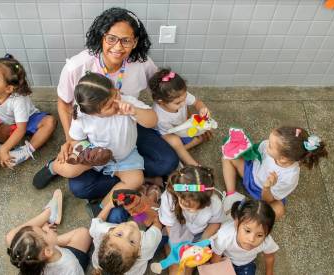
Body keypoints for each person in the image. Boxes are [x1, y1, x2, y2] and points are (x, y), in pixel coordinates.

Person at [54, 7, 179, 221]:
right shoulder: (77, 68)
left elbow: (160, 91)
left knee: (167, 163)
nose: (118, 47)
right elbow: (64, 104)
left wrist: (183, 101)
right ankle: (132, 182)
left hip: (128, 127)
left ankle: (124, 182)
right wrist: (70, 141)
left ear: (135, 41)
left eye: (126, 41)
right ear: (101, 36)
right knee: (78, 185)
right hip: (94, 141)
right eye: (111, 38)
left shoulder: (137, 73)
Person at [34, 72, 157, 216]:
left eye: (115, 95)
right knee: (69, 169)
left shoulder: (128, 102)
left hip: (125, 156)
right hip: (95, 154)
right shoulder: (82, 116)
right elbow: (76, 140)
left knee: (136, 180)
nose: (117, 102)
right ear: (93, 113)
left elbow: (153, 120)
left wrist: (134, 111)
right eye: (110, 105)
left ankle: (101, 206)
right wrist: (88, 152)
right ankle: (53, 167)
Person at [222, 126, 328, 219]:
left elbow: (268, 200)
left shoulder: (290, 177)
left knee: (279, 210)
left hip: (264, 194)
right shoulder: (267, 145)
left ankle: (250, 218)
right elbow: (254, 152)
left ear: (283, 159)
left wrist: (267, 187)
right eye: (269, 141)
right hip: (251, 174)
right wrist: (243, 148)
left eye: (270, 146)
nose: (266, 143)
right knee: (227, 157)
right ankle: (231, 193)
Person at [6, 189, 91, 275]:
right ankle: (49, 213)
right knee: (84, 233)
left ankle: (49, 214)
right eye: (44, 232)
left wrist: (45, 236)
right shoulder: (71, 264)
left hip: (49, 253)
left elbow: (12, 237)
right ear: (48, 251)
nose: (47, 229)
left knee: (11, 237)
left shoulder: (31, 264)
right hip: (65, 262)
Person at [158, 165, 225, 275]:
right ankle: (170, 249)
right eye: (188, 207)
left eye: (199, 208)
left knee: (187, 268)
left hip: (199, 236)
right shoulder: (168, 198)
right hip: (176, 234)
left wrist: (201, 243)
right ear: (178, 194)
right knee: (177, 269)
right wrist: (178, 245)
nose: (193, 211)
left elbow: (216, 223)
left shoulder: (214, 202)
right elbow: (169, 225)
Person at [149, 68, 212, 166]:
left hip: (182, 124)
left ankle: (182, 149)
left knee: (206, 131)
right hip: (167, 132)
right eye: (178, 103)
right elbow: (172, 134)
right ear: (161, 101)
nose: (183, 103)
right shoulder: (160, 117)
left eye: (185, 98)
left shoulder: (180, 96)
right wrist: (194, 133)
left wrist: (202, 109)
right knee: (176, 142)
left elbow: (197, 102)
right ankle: (192, 162)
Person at [90, 198, 162, 275]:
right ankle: (153, 194)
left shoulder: (101, 231)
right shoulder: (148, 244)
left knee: (118, 211)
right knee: (163, 235)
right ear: (139, 251)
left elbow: (95, 224)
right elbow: (157, 223)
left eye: (119, 235)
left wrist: (111, 204)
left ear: (108, 233)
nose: (129, 230)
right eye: (132, 242)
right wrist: (142, 213)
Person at [211, 200, 278, 275]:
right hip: (224, 259)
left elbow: (269, 257)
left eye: (259, 235)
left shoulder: (266, 241)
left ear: (267, 233)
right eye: (247, 231)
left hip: (246, 264)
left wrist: (269, 273)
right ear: (236, 224)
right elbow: (215, 260)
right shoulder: (224, 235)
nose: (252, 239)